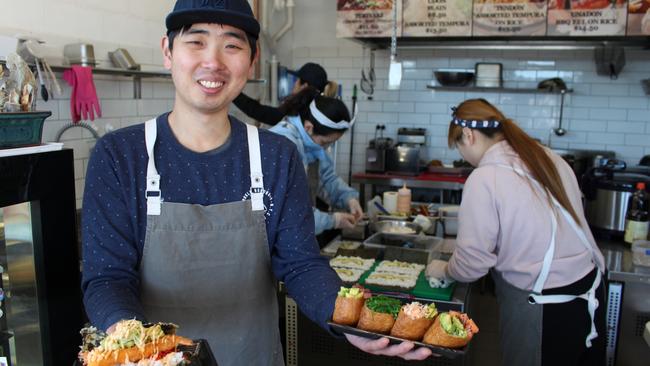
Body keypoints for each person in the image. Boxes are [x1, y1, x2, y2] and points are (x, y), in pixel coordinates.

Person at [80, 0, 430, 364]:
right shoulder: (120, 156)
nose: (213, 61)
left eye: (232, 45)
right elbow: (107, 279)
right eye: (196, 42)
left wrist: (346, 318)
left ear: (252, 60)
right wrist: (139, 347)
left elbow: (301, 264)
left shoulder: (276, 156)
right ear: (168, 51)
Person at [426, 99, 606, 366]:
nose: (464, 156)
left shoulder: (485, 177)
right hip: (591, 293)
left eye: (459, 147)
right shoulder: (549, 158)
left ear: (468, 135)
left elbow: (472, 264)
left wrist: (442, 269)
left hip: (544, 310)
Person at [269, 90, 362, 235]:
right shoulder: (284, 144)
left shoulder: (311, 144)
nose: (326, 148)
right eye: (325, 142)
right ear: (309, 127)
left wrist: (349, 198)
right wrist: (333, 221)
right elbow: (289, 209)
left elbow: (326, 178)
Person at [233, 62, 338, 125]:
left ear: (304, 86)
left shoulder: (299, 110)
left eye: (297, 80)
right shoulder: (315, 108)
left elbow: (261, 112)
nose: (295, 83)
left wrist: (232, 91)